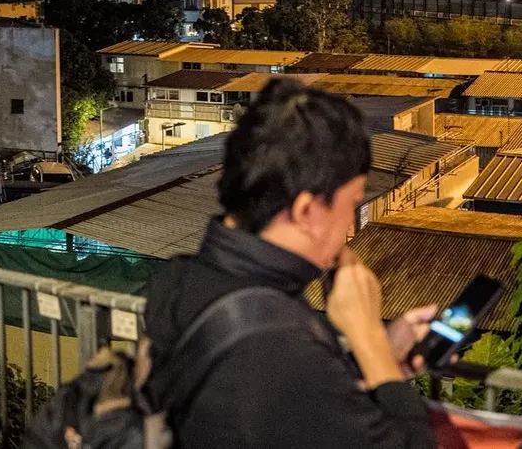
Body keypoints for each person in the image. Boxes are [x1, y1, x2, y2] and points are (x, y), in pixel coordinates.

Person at [144, 78, 438, 449]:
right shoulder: (278, 343)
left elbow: (279, 411)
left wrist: (375, 360)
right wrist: (370, 340)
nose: (349, 224)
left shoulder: (182, 278)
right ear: (307, 210)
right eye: (351, 203)